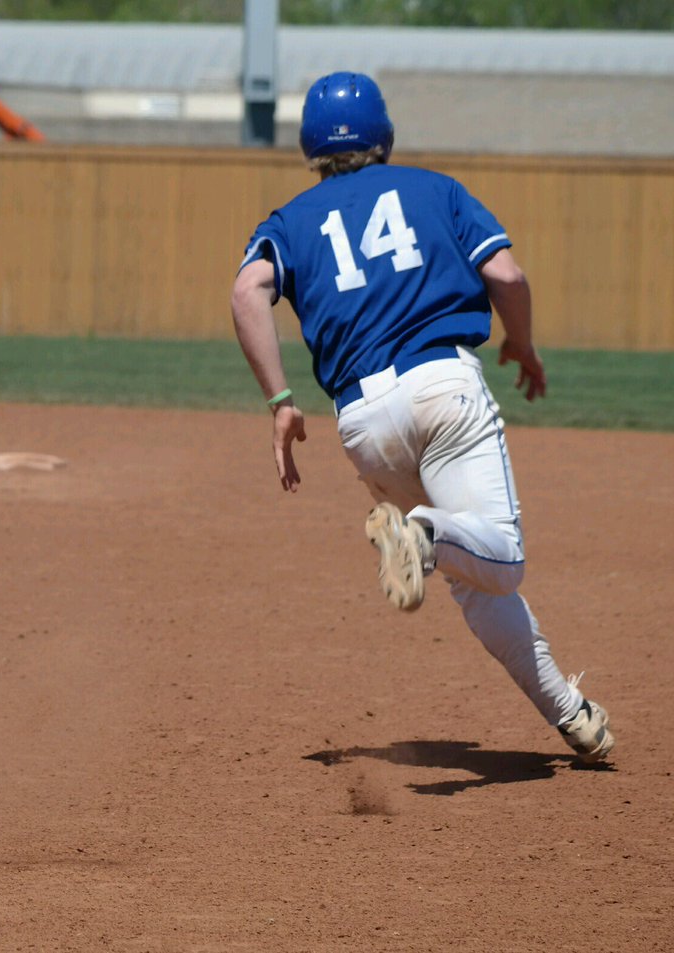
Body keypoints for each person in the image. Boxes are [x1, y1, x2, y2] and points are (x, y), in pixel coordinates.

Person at [230, 72, 615, 764]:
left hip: (362, 421)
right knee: (501, 556)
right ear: (384, 134)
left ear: (310, 146)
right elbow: (506, 276)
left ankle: (571, 713)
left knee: (475, 578)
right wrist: (521, 344)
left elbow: (247, 289)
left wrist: (281, 403)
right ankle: (426, 533)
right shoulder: (435, 189)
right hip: (442, 386)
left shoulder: (289, 220)